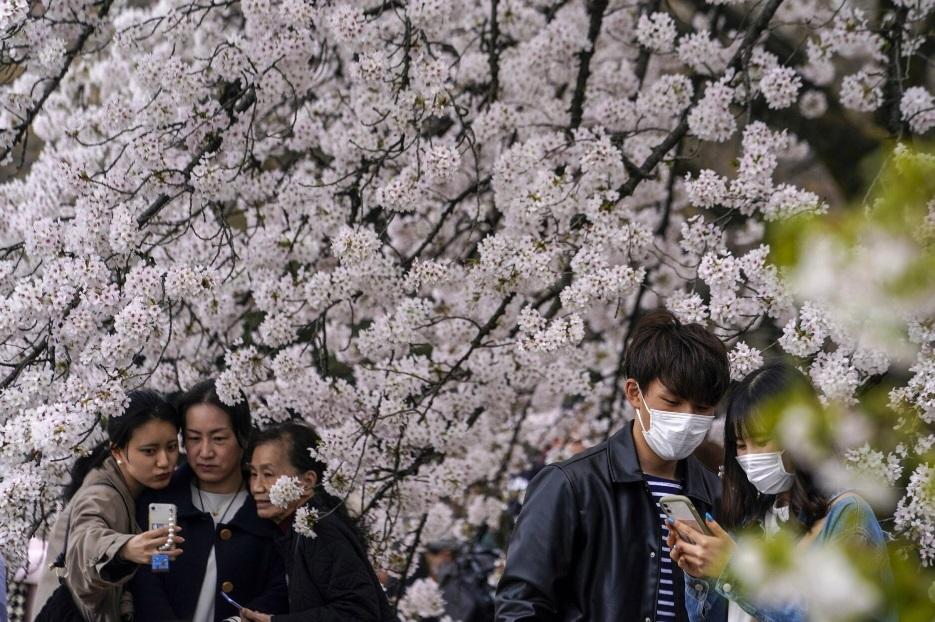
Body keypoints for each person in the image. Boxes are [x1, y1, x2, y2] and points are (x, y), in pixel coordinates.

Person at [496, 309, 731, 622]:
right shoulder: (571, 486)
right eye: (672, 402)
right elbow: (521, 607)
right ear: (635, 393)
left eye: (702, 408)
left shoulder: (717, 496)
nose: (687, 418)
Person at [668, 363, 892, 622]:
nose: (750, 457)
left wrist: (734, 572)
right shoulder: (752, 525)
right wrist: (702, 575)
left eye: (762, 440)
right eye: (741, 445)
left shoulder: (848, 515)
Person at [131, 380, 288, 622]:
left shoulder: (267, 506)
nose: (205, 452)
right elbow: (149, 579)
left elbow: (281, 587)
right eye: (194, 438)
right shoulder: (161, 502)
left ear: (243, 437)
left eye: (218, 439)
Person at [34, 390, 183, 622]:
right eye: (149, 451)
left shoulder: (135, 485)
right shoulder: (101, 496)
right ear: (118, 451)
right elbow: (87, 541)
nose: (164, 461)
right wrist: (124, 549)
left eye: (172, 447)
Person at [240, 421, 395, 622]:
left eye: (268, 474)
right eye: (253, 474)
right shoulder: (295, 530)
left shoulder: (318, 528)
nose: (256, 487)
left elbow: (358, 613)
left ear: (307, 481)